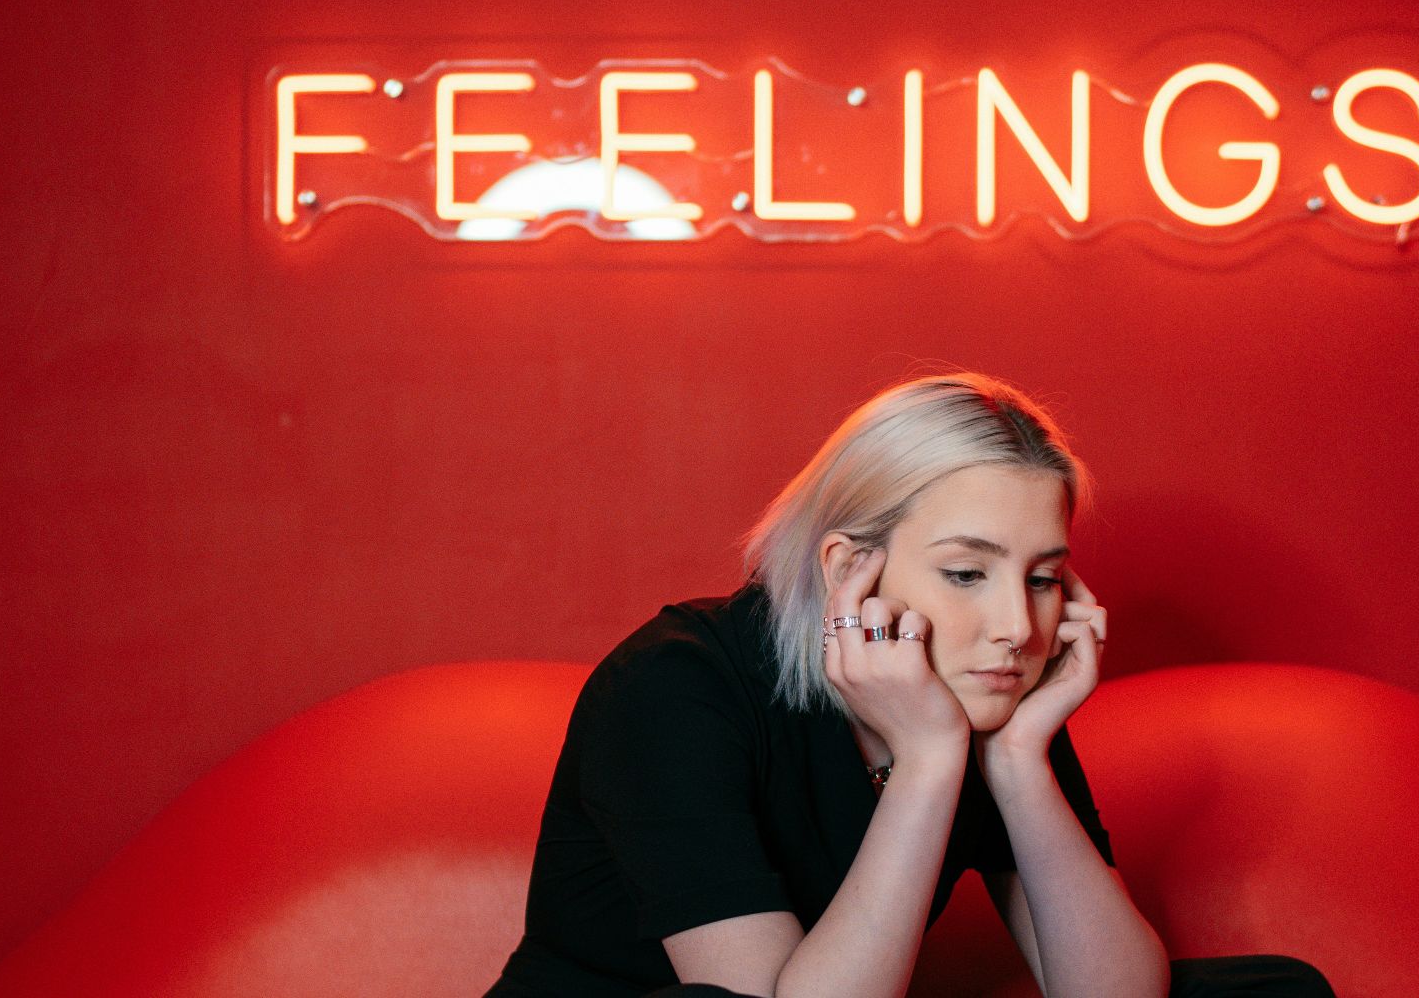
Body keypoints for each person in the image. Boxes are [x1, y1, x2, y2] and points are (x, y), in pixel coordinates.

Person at [484, 371, 1335, 997]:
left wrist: (1019, 762)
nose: (1018, 625)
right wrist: (929, 761)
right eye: (968, 573)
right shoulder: (671, 685)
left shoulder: (988, 683)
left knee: (1268, 991)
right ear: (851, 570)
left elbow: (1112, 996)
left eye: (1042, 579)